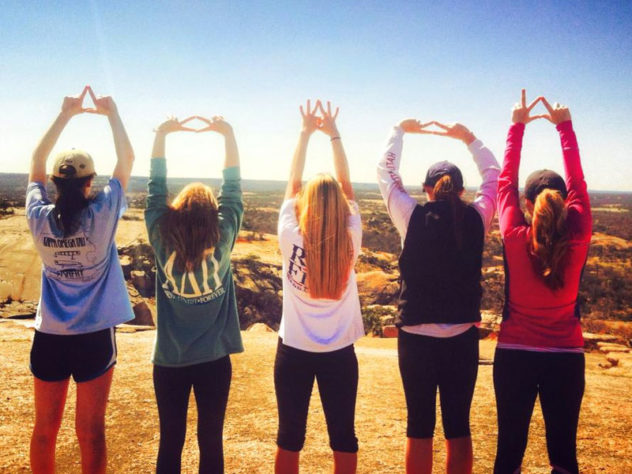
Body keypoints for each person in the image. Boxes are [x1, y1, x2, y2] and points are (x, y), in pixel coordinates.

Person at [377, 117, 500, 473]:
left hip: (416, 337)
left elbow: (385, 173)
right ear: (461, 190)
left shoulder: (410, 215)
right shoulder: (477, 218)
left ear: (427, 189)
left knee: (419, 426)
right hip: (462, 337)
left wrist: (398, 131)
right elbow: (495, 176)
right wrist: (469, 138)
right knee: (458, 426)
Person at [26, 86, 135, 474]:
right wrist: (112, 114)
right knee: (90, 432)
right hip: (93, 335)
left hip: (50, 335)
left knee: (44, 430)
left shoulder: (38, 217)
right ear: (91, 182)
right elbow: (127, 158)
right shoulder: (102, 215)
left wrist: (65, 114)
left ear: (54, 183)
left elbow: (36, 161)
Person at [494, 90, 591, 474]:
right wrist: (564, 127)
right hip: (566, 357)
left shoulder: (514, 236)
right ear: (567, 203)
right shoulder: (579, 235)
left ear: (526, 204)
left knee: (509, 453)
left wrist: (516, 126)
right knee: (564, 457)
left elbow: (504, 182)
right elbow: (578, 181)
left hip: (514, 354)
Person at [145, 114, 243, 473]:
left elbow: (156, 188)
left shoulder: (160, 235)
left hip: (169, 360)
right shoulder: (224, 238)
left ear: (175, 211)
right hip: (214, 359)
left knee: (170, 440)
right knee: (211, 440)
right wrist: (228, 134)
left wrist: (162, 134)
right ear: (214, 214)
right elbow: (233, 189)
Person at [275, 100, 364, 474]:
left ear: (306, 203)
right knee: (343, 436)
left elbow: (292, 184)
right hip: (340, 352)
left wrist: (305, 134)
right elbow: (347, 186)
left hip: (294, 349)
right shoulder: (351, 237)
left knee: (289, 438)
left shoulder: (289, 234)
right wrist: (334, 135)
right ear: (341, 206)